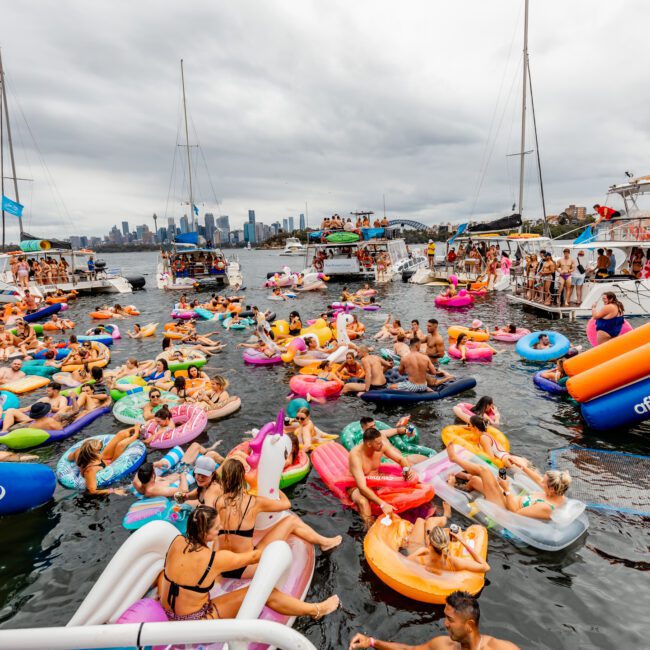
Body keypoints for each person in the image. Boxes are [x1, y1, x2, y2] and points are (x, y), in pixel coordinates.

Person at [158, 505, 340, 621]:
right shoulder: (215, 559)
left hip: (168, 611)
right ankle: (316, 610)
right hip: (195, 621)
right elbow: (255, 556)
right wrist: (277, 541)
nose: (220, 528)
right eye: (216, 528)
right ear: (205, 533)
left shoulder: (176, 541)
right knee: (267, 594)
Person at [349, 590, 520, 649]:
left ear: (469, 625)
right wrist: (371, 642)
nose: (445, 624)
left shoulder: (501, 648)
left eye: (450, 620)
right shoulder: (443, 645)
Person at [447, 443, 571, 520]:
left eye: (544, 483)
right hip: (510, 499)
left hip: (505, 510)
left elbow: (515, 514)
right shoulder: (557, 491)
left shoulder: (546, 508)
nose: (541, 483)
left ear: (552, 489)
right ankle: (464, 486)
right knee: (475, 480)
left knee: (484, 471)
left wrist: (506, 489)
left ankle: (454, 459)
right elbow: (538, 479)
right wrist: (522, 467)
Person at [348, 427, 417, 528]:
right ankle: (369, 530)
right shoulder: (355, 456)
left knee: (409, 486)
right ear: (369, 444)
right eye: (378, 443)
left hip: (376, 481)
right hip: (356, 486)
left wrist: (406, 471)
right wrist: (382, 504)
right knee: (363, 502)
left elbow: (401, 459)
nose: (382, 444)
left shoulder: (381, 447)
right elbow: (362, 487)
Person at [68, 427, 141, 495]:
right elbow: (92, 491)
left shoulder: (80, 451)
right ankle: (136, 434)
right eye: (99, 450)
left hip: (103, 460)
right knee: (121, 445)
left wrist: (136, 427)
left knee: (121, 434)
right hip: (111, 464)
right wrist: (113, 491)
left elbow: (69, 458)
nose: (100, 451)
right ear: (91, 453)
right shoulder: (90, 470)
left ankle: (136, 427)